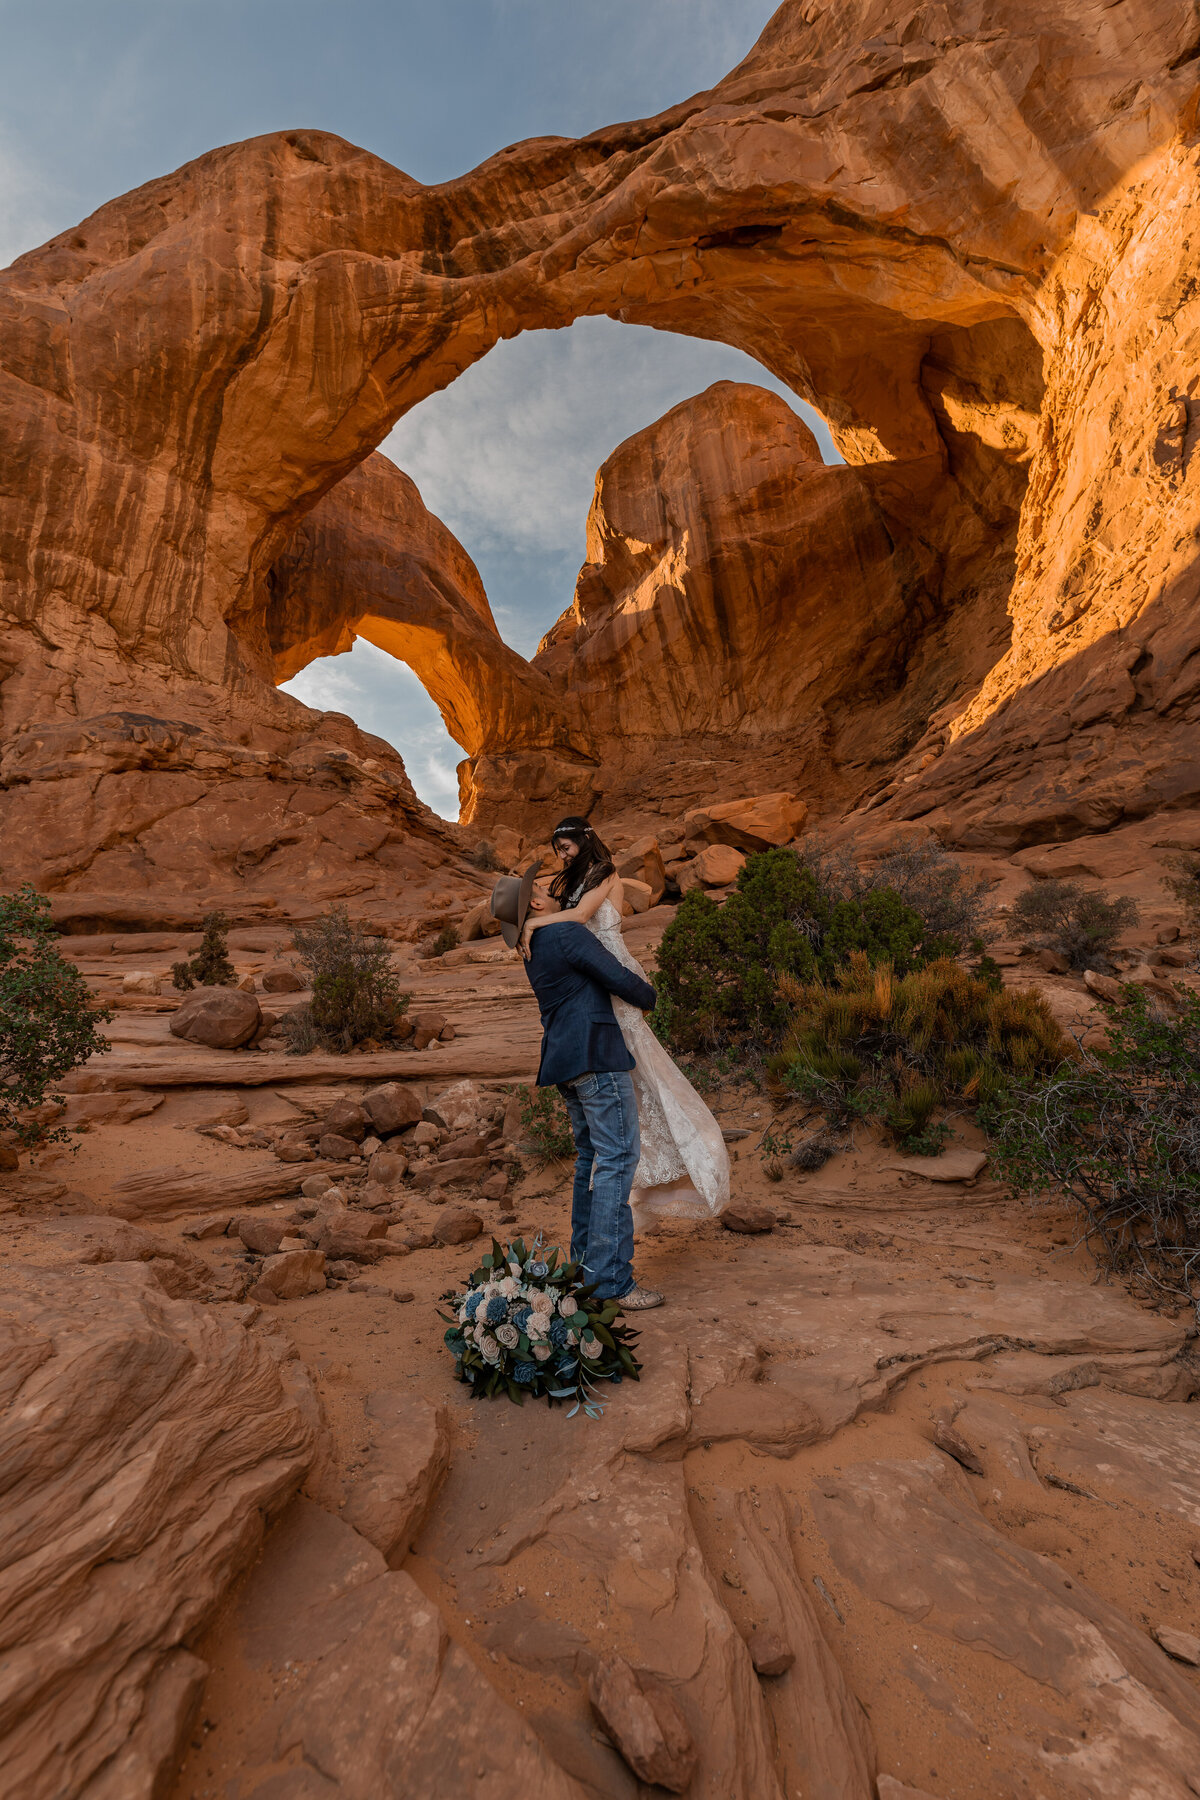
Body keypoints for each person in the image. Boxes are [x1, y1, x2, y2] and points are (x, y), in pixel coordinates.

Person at [519, 815, 730, 1227]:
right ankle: (642, 1167)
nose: (562, 856)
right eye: (558, 850)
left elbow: (581, 919)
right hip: (590, 973)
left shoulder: (604, 871)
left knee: (640, 1069)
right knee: (624, 1075)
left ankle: (689, 1154)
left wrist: (534, 922)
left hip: (609, 967)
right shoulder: (571, 882)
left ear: (585, 839)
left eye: (566, 847)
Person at [490, 859, 665, 1310]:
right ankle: (612, 1283)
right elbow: (616, 977)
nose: (550, 890)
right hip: (596, 1055)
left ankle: (585, 1271)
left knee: (592, 1158)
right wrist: (650, 997)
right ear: (534, 902)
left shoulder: (531, 945)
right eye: (544, 888)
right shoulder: (563, 933)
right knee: (617, 1158)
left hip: (564, 1062)